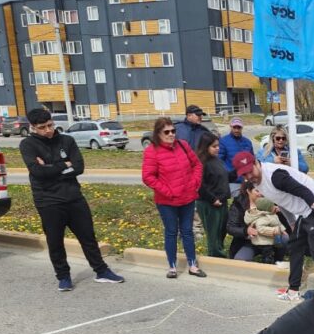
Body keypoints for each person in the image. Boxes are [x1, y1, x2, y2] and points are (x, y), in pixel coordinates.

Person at [18, 108, 125, 290]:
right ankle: (63, 277)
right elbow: (37, 172)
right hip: (48, 201)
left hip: (74, 197)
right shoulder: (27, 145)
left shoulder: (67, 140)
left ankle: (101, 271)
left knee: (88, 237)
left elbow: (79, 167)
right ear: (33, 127)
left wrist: (51, 168)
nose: (48, 130)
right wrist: (64, 164)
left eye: (50, 125)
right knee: (55, 241)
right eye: (42, 127)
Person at [233, 151, 314, 302]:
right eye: (244, 174)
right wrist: (292, 223)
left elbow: (305, 192)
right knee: (295, 246)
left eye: (250, 171)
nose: (249, 177)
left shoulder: (275, 176)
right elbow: (281, 200)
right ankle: (293, 290)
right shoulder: (256, 182)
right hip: (305, 212)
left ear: (256, 163)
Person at [142, 116, 206, 279]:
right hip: (167, 201)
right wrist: (167, 191)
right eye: (166, 132)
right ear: (158, 133)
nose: (171, 134)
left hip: (187, 198)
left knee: (187, 232)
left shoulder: (183, 145)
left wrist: (194, 183)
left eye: (173, 131)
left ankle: (192, 265)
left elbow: (197, 165)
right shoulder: (152, 151)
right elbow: (148, 177)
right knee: (171, 232)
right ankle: (172, 267)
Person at [227, 181, 286, 264]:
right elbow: (230, 227)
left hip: (269, 239)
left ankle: (277, 260)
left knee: (284, 238)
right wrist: (246, 231)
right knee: (240, 259)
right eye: (257, 191)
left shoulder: (269, 202)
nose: (261, 194)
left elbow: (282, 223)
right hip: (248, 242)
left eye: (262, 190)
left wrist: (280, 213)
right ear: (248, 191)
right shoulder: (238, 204)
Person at [195, 133, 230, 258]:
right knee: (213, 233)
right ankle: (215, 255)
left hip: (222, 201)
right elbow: (199, 184)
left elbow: (225, 177)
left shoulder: (217, 160)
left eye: (218, 146)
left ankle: (219, 252)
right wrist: (212, 199)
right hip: (209, 203)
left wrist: (239, 170)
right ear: (205, 147)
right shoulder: (201, 163)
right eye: (214, 146)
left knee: (222, 230)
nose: (217, 148)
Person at [218, 117, 254, 196]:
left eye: (239, 127)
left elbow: (252, 160)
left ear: (242, 128)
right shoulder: (223, 141)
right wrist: (229, 174)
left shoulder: (247, 142)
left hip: (247, 180)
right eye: (234, 127)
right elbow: (219, 161)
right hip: (233, 181)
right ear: (230, 127)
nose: (236, 130)